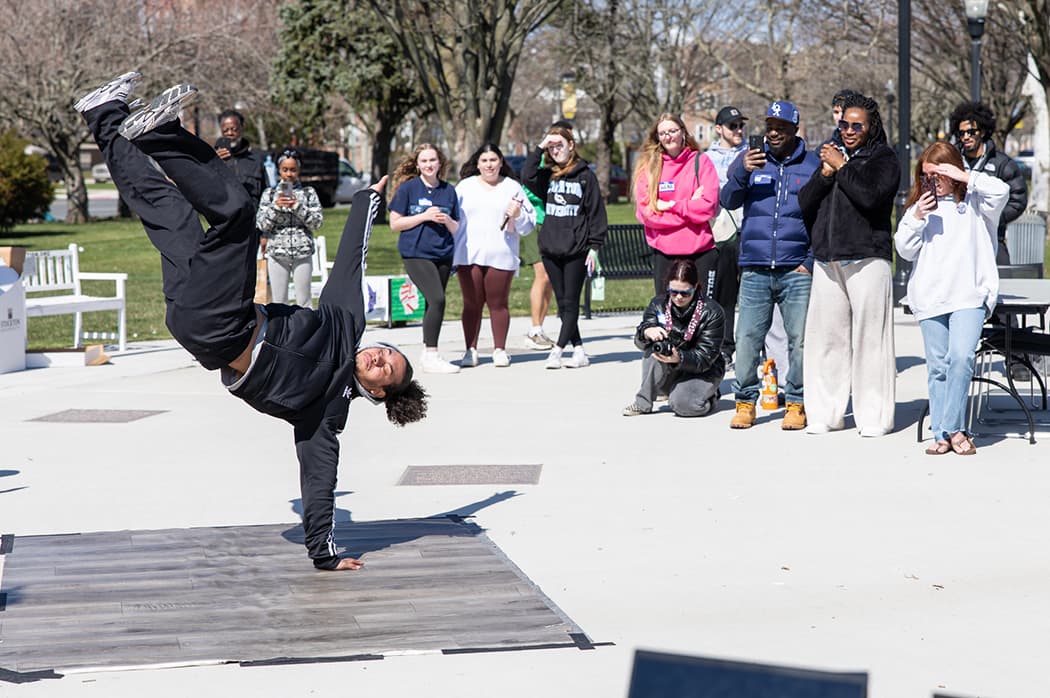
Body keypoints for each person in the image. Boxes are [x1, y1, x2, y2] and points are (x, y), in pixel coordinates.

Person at [75, 73, 427, 571]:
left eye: (384, 369)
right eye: (387, 353)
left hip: (222, 330)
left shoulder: (326, 414)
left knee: (238, 213)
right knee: (168, 212)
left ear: (377, 392)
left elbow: (319, 477)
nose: (378, 357)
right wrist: (368, 200)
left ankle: (158, 133)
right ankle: (102, 114)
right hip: (210, 315)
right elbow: (353, 262)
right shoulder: (346, 325)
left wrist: (323, 552)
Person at [894, 141, 1008, 456]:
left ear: (954, 171)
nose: (932, 181)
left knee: (961, 358)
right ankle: (945, 434)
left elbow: (1002, 191)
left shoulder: (975, 201)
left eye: (938, 174)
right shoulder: (919, 208)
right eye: (926, 175)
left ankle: (954, 428)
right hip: (931, 298)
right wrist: (917, 215)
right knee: (938, 367)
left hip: (968, 295)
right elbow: (903, 249)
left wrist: (965, 175)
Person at [798, 93, 900, 437]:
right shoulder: (831, 155)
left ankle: (874, 416)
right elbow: (805, 204)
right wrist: (826, 173)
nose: (849, 130)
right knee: (827, 340)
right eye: (844, 124)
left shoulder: (884, 157)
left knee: (871, 340)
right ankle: (826, 413)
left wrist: (843, 167)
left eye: (857, 125)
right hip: (828, 258)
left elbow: (871, 197)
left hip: (868, 257)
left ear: (871, 128)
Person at [718, 100, 820, 431]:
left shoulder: (812, 164)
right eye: (769, 127)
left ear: (795, 129)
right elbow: (727, 200)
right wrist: (741, 172)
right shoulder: (749, 160)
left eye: (780, 128)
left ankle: (796, 403)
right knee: (746, 338)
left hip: (796, 270)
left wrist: (808, 260)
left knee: (799, 341)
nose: (773, 133)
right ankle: (745, 402)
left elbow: (822, 217)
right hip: (755, 267)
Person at [521, 124, 608, 369]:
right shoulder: (548, 176)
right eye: (553, 146)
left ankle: (557, 351)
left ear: (571, 146)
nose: (556, 150)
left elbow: (596, 213)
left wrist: (595, 247)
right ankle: (579, 350)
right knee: (564, 305)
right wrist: (540, 146)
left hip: (576, 250)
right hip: (550, 249)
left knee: (570, 303)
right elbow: (526, 175)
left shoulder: (585, 176)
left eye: (561, 145)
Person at [454, 143, 536, 367]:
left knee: (498, 304)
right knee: (471, 303)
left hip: (502, 254)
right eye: (484, 161)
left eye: (493, 160)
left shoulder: (512, 187)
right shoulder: (464, 187)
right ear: (477, 164)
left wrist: (518, 215)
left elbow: (528, 225)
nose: (489, 165)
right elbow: (452, 220)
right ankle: (470, 350)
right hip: (468, 254)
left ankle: (500, 349)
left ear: (501, 162)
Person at [388, 144, 462, 374]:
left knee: (433, 304)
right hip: (415, 252)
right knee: (438, 299)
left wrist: (446, 220)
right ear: (418, 164)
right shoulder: (408, 188)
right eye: (424, 161)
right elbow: (395, 223)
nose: (429, 165)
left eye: (432, 160)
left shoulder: (449, 190)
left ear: (440, 163)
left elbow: (456, 226)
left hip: (443, 253)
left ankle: (426, 351)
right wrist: (423, 216)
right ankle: (432, 353)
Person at [622, 259, 726, 417]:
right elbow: (640, 343)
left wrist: (679, 358)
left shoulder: (712, 312)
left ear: (696, 287)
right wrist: (646, 331)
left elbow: (706, 358)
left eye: (685, 293)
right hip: (670, 367)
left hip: (703, 370)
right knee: (653, 350)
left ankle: (710, 397)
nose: (678, 297)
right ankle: (643, 403)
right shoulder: (658, 304)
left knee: (683, 405)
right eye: (673, 291)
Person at [632, 113, 721, 297]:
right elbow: (648, 214)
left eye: (672, 131)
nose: (668, 136)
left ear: (683, 132)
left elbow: (708, 207)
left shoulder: (701, 162)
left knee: (702, 314)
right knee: (667, 314)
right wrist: (690, 208)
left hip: (701, 252)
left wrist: (671, 205)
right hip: (664, 254)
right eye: (663, 133)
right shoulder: (649, 167)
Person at [948, 101, 1028, 265]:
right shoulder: (953, 161)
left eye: (971, 131)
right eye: (961, 133)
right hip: (958, 241)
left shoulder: (1002, 163)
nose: (966, 137)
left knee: (1003, 282)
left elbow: (1018, 200)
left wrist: (993, 216)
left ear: (982, 131)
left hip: (992, 238)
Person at [707, 105, 748, 364]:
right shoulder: (705, 159)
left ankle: (752, 346)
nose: (739, 130)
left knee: (752, 293)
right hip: (721, 232)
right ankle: (725, 347)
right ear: (719, 129)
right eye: (733, 126)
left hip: (750, 229)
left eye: (741, 125)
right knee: (724, 293)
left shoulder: (751, 154)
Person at [256, 149, 323, 308]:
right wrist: (276, 207)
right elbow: (261, 224)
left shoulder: (308, 193)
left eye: (293, 169)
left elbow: (317, 223)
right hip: (277, 253)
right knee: (279, 301)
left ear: (299, 170)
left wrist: (298, 206)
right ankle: (281, 332)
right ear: (279, 171)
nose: (289, 174)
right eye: (285, 170)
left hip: (302, 253)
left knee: (304, 299)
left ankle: (307, 331)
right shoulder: (270, 194)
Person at [520, 183, 555, 350]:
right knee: (543, 276)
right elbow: (525, 190)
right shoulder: (536, 165)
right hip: (535, 223)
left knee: (551, 279)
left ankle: (538, 329)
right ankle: (534, 329)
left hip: (554, 225)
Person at [214, 108, 267, 210]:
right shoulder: (212, 160)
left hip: (252, 219)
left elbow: (265, 193)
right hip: (226, 219)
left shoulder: (256, 161)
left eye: (234, 129)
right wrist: (216, 163)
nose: (230, 133)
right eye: (225, 130)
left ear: (241, 129)